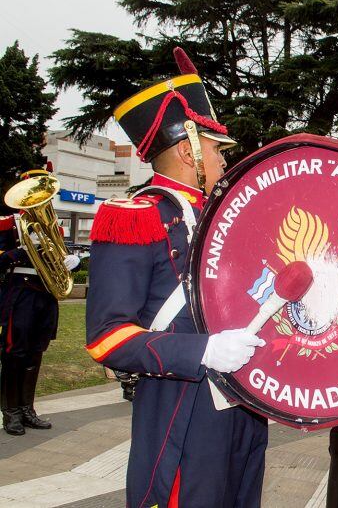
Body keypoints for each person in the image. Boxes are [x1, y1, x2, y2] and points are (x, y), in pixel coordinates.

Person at [85, 55, 270, 506]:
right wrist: (202, 349)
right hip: (181, 405)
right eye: (218, 149)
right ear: (189, 150)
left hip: (244, 405)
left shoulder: (226, 218)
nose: (226, 159)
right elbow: (106, 338)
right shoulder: (134, 217)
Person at [0, 173, 80, 436]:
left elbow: (58, 252)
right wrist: (18, 253)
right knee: (15, 353)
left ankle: (27, 409)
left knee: (35, 353)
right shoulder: (8, 224)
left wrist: (70, 259)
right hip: (20, 294)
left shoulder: (52, 226)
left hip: (45, 295)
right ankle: (10, 411)